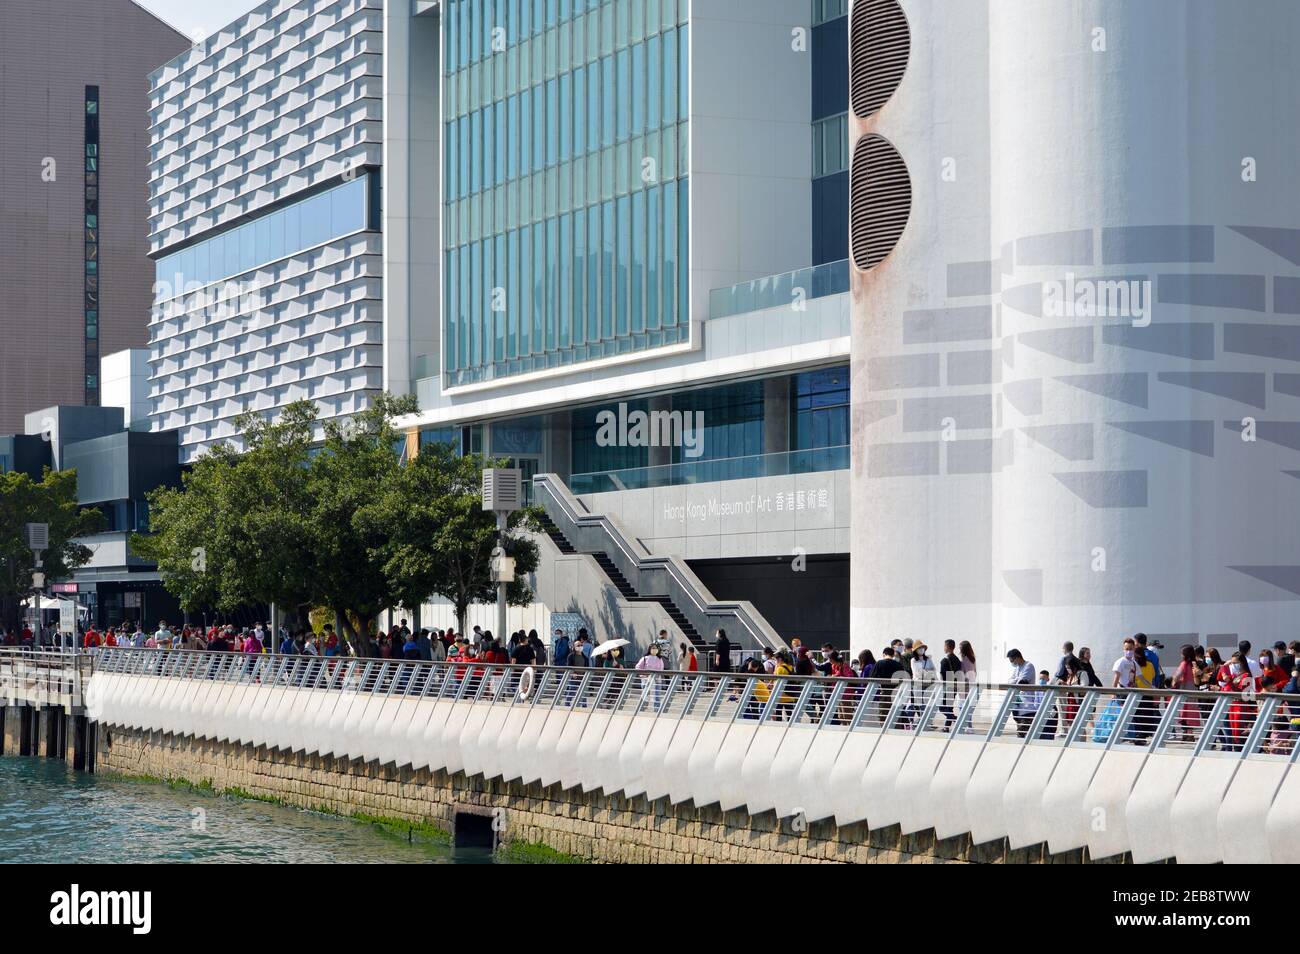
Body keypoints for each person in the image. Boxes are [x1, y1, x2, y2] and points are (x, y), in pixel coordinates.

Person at [1006, 648, 1036, 737]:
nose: (1012, 663)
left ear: (1018, 658)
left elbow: (1021, 682)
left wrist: (1015, 680)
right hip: (1018, 705)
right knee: (1020, 733)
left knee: (1024, 734)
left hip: (1027, 707)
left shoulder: (1028, 666)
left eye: (1012, 660)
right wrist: (1016, 680)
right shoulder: (1018, 668)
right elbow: (1009, 681)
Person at [938, 640, 962, 731]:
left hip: (948, 686)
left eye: (944, 646)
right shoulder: (957, 660)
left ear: (947, 647)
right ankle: (946, 728)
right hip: (955, 686)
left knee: (942, 708)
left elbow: (943, 676)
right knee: (949, 707)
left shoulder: (945, 660)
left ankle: (955, 719)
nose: (943, 648)